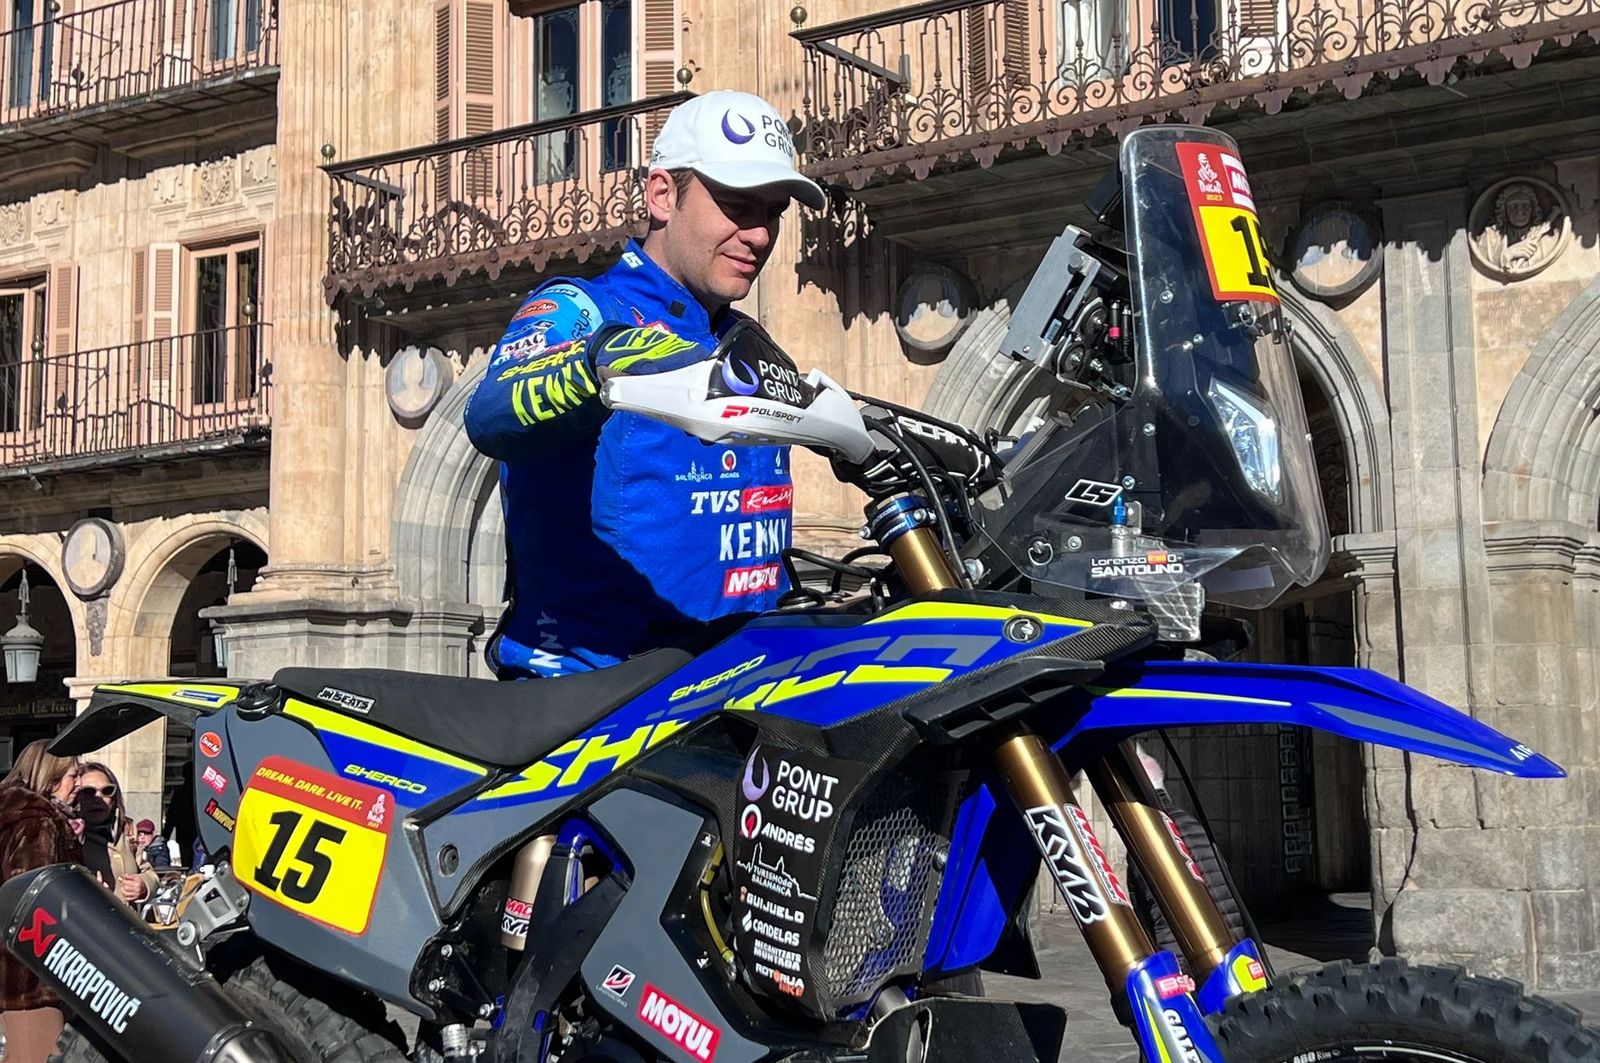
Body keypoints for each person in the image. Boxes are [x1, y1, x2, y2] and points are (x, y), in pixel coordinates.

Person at [465, 89, 824, 678]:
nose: (760, 235)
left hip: (731, 686)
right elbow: (491, 414)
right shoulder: (579, 310)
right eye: (737, 205)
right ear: (662, 195)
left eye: (773, 213)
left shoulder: (748, 341)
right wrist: (594, 363)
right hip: (586, 695)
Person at [0, 741, 83, 1063]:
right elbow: (33, 897)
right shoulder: (38, 821)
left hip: (16, 964)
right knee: (38, 1053)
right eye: (72, 776)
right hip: (31, 968)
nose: (78, 785)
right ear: (52, 776)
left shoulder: (15, 813)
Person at [73, 761, 158, 908]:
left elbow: (149, 872)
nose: (98, 798)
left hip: (128, 925)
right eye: (88, 792)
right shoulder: (69, 836)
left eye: (107, 791)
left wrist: (144, 885)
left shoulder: (128, 830)